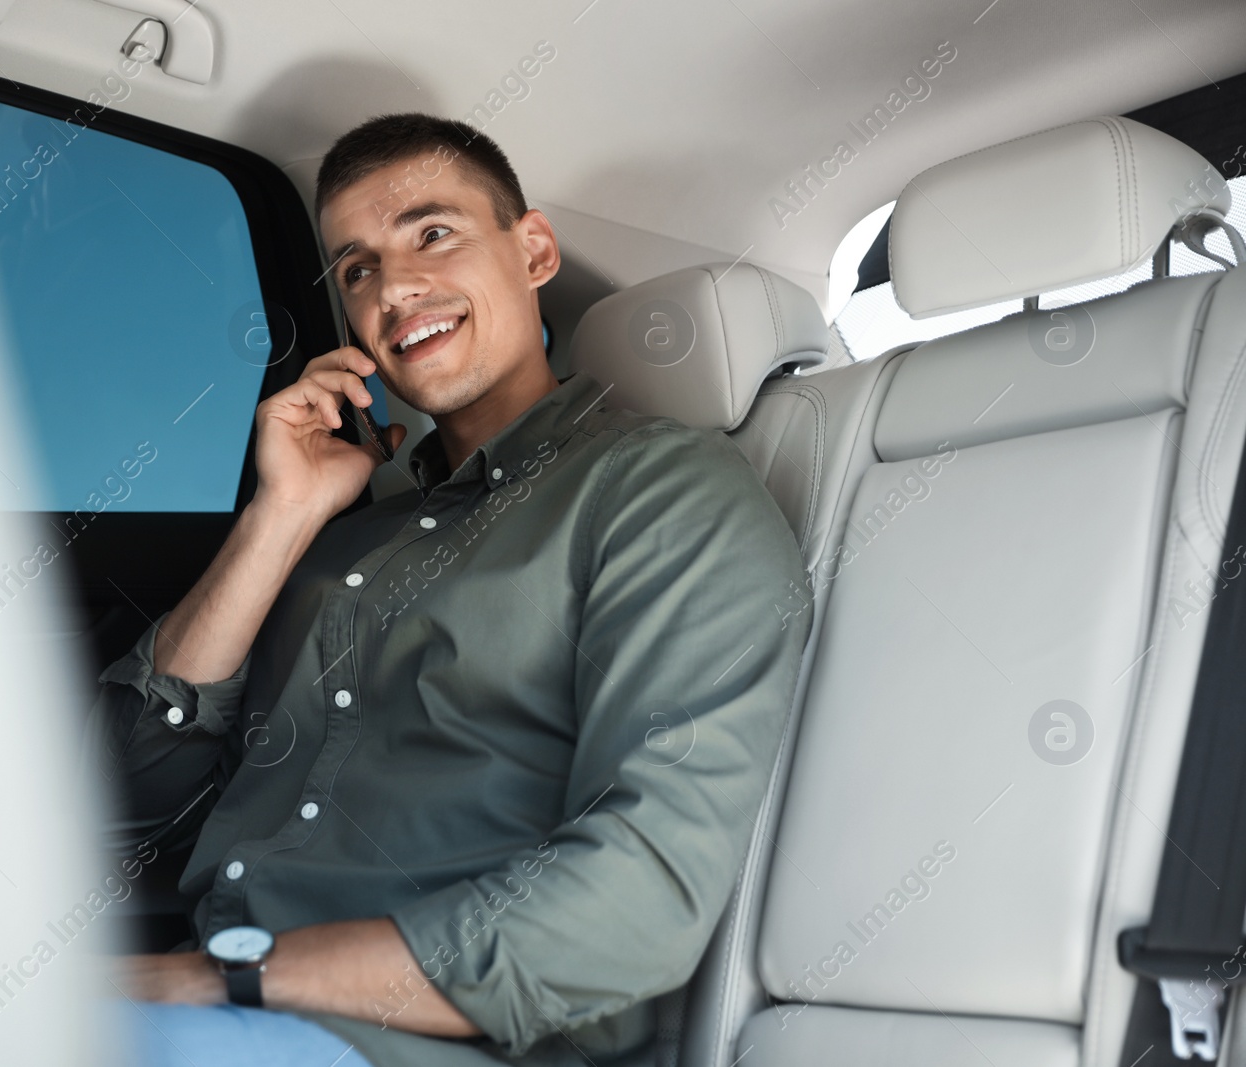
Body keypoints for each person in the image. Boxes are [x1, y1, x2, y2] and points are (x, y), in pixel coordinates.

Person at [94, 112, 809, 1067]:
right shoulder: (344, 531)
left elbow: (642, 893)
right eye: (356, 268)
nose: (395, 288)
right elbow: (128, 803)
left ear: (535, 250)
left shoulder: (660, 494)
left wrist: (228, 972)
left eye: (433, 233)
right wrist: (280, 518)